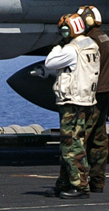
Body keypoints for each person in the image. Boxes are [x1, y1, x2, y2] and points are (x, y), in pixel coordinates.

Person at [43, 12, 100, 199]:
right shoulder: (91, 45)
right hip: (85, 101)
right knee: (73, 143)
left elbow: (50, 63)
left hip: (72, 103)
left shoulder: (71, 49)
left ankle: (81, 187)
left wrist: (56, 47)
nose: (63, 32)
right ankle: (64, 183)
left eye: (64, 29)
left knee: (71, 146)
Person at [78, 5, 109, 194]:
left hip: (91, 95)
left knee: (79, 138)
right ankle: (98, 182)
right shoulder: (105, 38)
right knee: (99, 139)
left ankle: (78, 182)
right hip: (105, 92)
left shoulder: (90, 41)